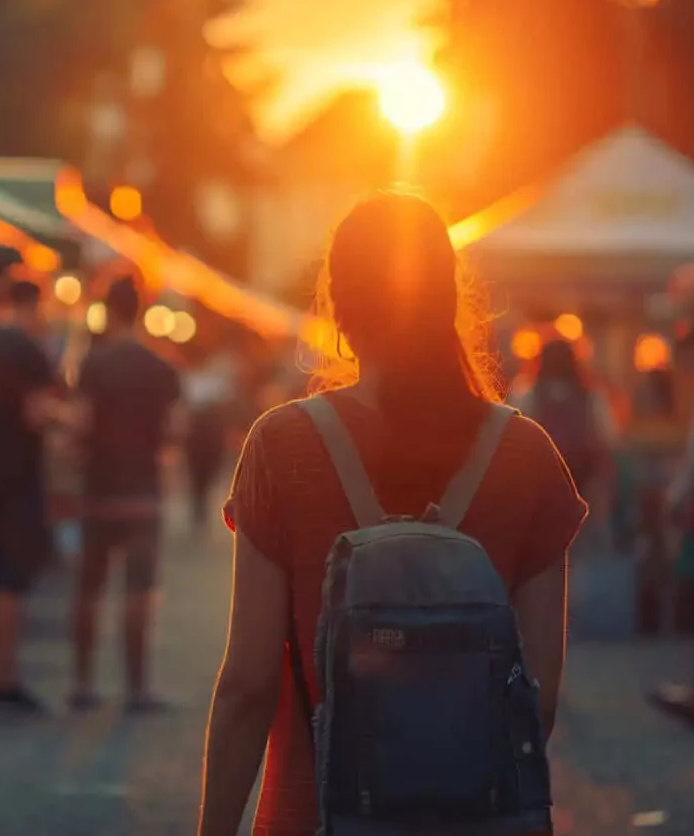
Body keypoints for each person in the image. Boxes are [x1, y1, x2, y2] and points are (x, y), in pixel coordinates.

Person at [199, 192, 587, 836]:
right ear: (448, 305)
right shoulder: (527, 457)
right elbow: (538, 696)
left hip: (313, 814)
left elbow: (247, 684)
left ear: (340, 312)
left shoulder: (282, 446)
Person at [70, 276, 182, 711]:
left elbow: (81, 422)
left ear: (108, 310)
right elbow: (175, 431)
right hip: (144, 494)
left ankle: (83, 684)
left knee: (90, 588)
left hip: (100, 491)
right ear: (139, 310)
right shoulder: (161, 366)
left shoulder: (94, 364)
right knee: (139, 591)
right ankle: (137, 688)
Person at [0, 279, 57, 710]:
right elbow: (37, 413)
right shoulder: (29, 350)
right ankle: (5, 678)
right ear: (34, 304)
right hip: (16, 476)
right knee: (8, 581)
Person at [509, 337, 618, 507]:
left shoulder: (526, 394)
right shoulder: (591, 397)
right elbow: (608, 439)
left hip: (540, 484)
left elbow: (515, 442)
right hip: (583, 484)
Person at [182, 351, 236, 530]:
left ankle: (201, 500)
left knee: (209, 468)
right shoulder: (190, 379)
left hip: (212, 434)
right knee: (196, 470)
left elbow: (227, 408)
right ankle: (198, 502)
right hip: (196, 434)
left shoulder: (218, 381)